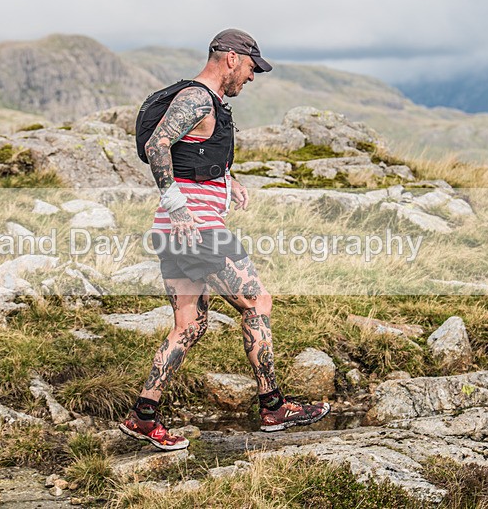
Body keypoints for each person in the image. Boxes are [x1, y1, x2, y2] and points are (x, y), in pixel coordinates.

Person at [119, 29, 330, 451]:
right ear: (231, 58)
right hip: (196, 230)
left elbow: (189, 151)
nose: (251, 78)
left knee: (189, 326)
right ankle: (273, 407)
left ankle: (143, 416)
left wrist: (226, 179)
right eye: (251, 68)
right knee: (257, 301)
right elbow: (159, 144)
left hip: (173, 232)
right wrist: (178, 204)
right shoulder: (197, 97)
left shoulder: (207, 104)